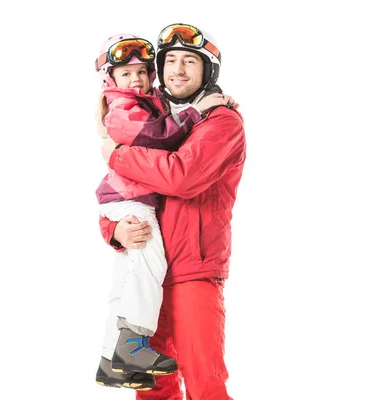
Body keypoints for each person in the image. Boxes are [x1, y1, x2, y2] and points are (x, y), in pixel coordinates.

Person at [98, 23, 246, 399]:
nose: (178, 69)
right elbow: (122, 191)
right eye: (171, 61)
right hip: (151, 270)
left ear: (207, 70)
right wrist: (113, 231)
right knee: (151, 388)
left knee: (204, 382)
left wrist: (116, 152)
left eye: (189, 61)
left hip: (192, 271)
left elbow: (181, 177)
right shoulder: (151, 116)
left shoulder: (221, 120)